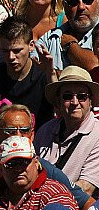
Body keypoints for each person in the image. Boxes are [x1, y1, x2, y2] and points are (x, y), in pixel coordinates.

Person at [35, 65, 99, 194]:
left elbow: (86, 188)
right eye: (67, 96)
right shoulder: (45, 130)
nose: (75, 102)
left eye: (82, 96)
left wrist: (46, 196)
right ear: (58, 102)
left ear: (90, 102)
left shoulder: (97, 134)